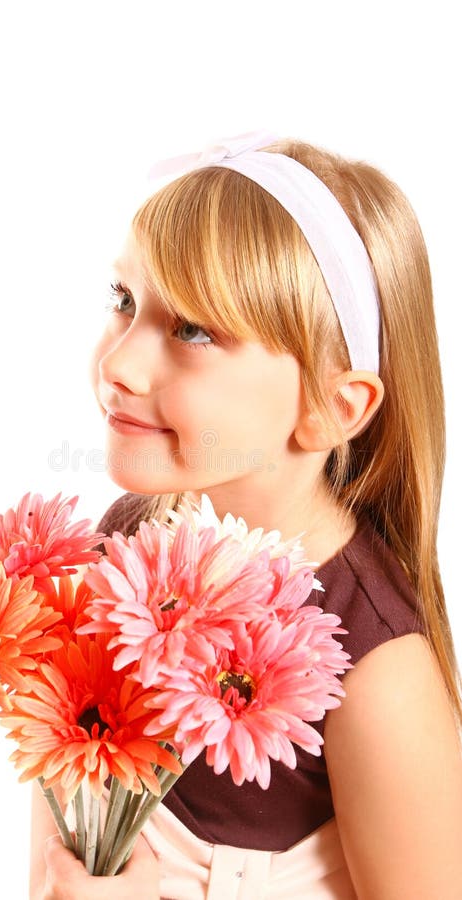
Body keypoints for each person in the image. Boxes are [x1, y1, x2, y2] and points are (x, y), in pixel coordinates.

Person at [30, 131, 462, 898]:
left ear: (333, 406)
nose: (118, 364)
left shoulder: (378, 677)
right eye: (123, 301)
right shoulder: (123, 542)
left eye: (194, 330)